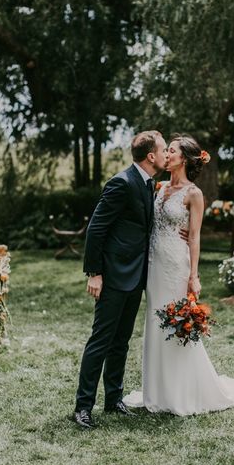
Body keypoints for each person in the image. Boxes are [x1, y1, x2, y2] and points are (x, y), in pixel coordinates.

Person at [123, 134, 234, 416]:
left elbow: (195, 238)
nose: (167, 154)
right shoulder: (159, 187)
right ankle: (158, 390)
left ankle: (183, 391)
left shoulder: (194, 194)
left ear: (185, 160)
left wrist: (194, 276)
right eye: (167, 150)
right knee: (155, 322)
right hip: (154, 264)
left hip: (176, 265)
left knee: (175, 324)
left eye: (172, 151)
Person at [74, 130, 167, 429]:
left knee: (121, 342)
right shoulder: (122, 182)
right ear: (151, 155)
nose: (166, 155)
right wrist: (95, 273)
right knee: (100, 341)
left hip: (136, 276)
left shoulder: (147, 183)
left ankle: (113, 398)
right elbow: (96, 230)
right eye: (164, 150)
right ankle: (83, 406)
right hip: (113, 276)